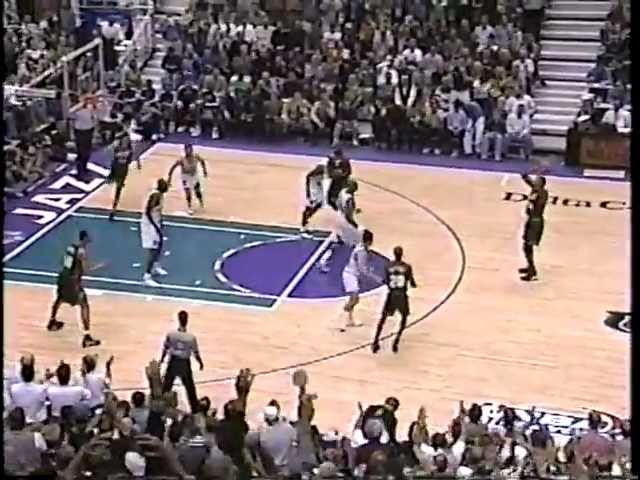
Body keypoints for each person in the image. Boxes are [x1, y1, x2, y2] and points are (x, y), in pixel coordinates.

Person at [47, 230, 101, 348]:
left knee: (59, 299)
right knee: (84, 305)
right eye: (88, 237)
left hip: (62, 277)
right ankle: (87, 337)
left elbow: (63, 262)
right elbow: (87, 269)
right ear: (85, 238)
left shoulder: (70, 247)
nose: (90, 239)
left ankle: (52, 322)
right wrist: (100, 266)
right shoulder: (81, 251)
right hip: (73, 282)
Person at [372, 246, 417, 354]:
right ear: (402, 254)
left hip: (391, 295)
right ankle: (396, 341)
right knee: (404, 318)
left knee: (383, 318)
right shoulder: (407, 267)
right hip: (401, 296)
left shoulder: (388, 266)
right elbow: (412, 283)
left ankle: (375, 341)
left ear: (394, 254)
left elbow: (386, 280)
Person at [160, 310, 204, 414]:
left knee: (166, 386)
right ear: (187, 320)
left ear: (178, 319)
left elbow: (165, 348)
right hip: (184, 362)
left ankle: (160, 407)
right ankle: (195, 410)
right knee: (190, 389)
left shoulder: (171, 334)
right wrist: (200, 362)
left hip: (173, 361)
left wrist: (162, 359)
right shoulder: (191, 337)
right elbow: (195, 352)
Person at [339, 229, 379, 331]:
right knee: (354, 298)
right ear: (369, 241)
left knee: (354, 298)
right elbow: (362, 269)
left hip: (353, 274)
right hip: (350, 274)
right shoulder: (361, 251)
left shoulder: (362, 248)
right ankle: (341, 318)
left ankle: (349, 319)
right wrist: (376, 278)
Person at [519, 172, 549, 281]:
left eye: (536, 180)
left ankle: (532, 271)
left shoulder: (542, 193)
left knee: (527, 247)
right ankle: (529, 266)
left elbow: (538, 206)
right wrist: (524, 174)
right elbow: (528, 181)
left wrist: (532, 201)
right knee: (526, 245)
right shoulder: (536, 189)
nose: (534, 181)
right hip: (531, 221)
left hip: (535, 222)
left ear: (541, 184)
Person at [141, 178, 169, 286]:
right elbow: (148, 211)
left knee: (160, 244)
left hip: (155, 223)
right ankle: (147, 276)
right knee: (153, 249)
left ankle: (156, 266)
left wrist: (160, 224)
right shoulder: (155, 196)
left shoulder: (160, 195)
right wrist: (155, 226)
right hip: (149, 225)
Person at [167, 143, 209, 215]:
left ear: (192, 150)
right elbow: (172, 168)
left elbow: (202, 161)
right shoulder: (181, 159)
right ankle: (190, 206)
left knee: (197, 191)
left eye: (189, 149)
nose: (188, 151)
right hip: (185, 176)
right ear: (185, 150)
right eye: (187, 149)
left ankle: (201, 202)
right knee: (188, 192)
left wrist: (204, 170)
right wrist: (169, 178)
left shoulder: (196, 156)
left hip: (194, 175)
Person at [107, 131, 140, 220]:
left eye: (127, 139)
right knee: (114, 183)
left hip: (123, 168)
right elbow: (113, 157)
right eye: (125, 139)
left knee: (119, 187)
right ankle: (111, 177)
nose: (126, 140)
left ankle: (114, 208)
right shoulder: (117, 146)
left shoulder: (130, 148)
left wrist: (138, 163)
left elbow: (134, 157)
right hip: (116, 167)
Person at [300, 163, 326, 235]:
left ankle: (305, 224)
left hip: (317, 193)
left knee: (313, 208)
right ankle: (304, 226)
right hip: (313, 194)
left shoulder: (319, 176)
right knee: (310, 209)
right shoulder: (312, 177)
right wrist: (308, 194)